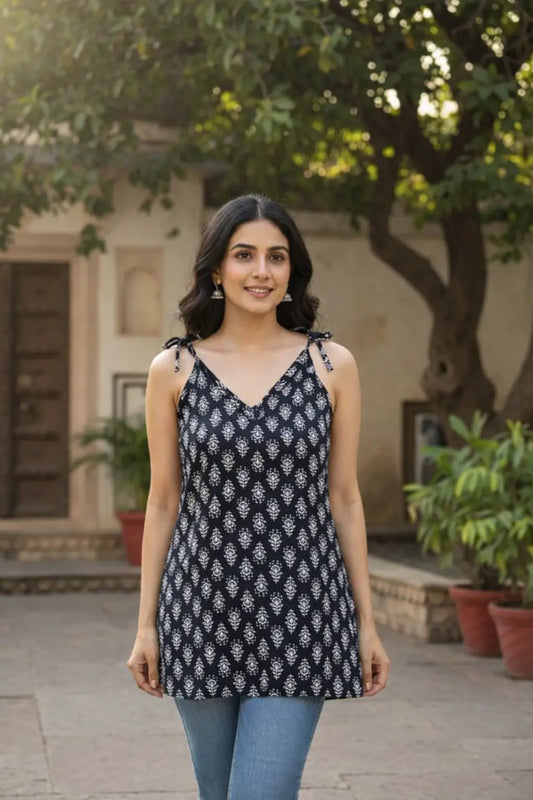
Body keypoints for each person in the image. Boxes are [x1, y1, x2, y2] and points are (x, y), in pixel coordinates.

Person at [127, 193, 390, 799]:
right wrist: (146, 627)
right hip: (199, 610)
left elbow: (344, 498)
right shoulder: (174, 369)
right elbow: (163, 501)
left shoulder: (331, 364)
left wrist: (367, 625)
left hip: (302, 611)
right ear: (216, 268)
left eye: (277, 256)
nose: (261, 271)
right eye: (244, 255)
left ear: (292, 270)